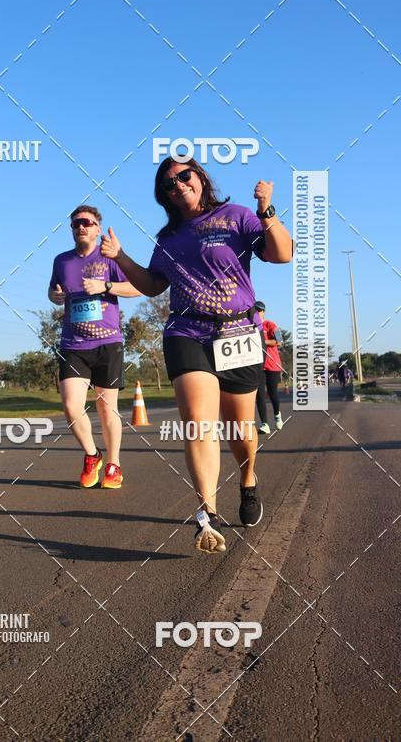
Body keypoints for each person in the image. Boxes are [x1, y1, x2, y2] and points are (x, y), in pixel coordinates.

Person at [100, 158, 293, 553]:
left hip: (238, 332)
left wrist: (266, 210)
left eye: (183, 176)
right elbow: (154, 286)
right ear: (164, 196)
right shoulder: (169, 238)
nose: (178, 185)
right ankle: (207, 515)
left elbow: (282, 254)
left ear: (200, 178)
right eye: (168, 185)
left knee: (241, 429)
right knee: (199, 424)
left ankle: (248, 481)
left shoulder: (236, 216)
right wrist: (120, 257)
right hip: (187, 332)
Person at [49, 206, 141, 489]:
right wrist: (54, 295)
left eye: (87, 223)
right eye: (76, 223)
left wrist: (106, 285)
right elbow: (54, 293)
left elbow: (138, 287)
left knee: (106, 408)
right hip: (74, 343)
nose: (81, 227)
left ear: (98, 228)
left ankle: (113, 464)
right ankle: (92, 454)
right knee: (70, 406)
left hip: (107, 342)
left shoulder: (108, 256)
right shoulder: (62, 261)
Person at [254, 301, 284, 433]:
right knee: (259, 394)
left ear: (263, 312)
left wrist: (262, 342)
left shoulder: (270, 325)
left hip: (272, 365)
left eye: (259, 311)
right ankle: (264, 424)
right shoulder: (251, 327)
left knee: (272, 393)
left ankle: (277, 415)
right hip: (258, 366)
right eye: (254, 311)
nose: (257, 313)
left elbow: (279, 341)